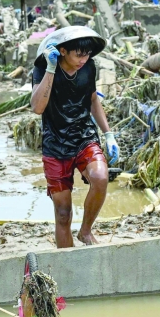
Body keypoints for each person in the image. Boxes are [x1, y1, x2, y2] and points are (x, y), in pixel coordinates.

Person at [31, 27, 119, 248]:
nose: (84, 59)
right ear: (62, 51)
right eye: (78, 54)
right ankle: (68, 264)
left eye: (87, 54)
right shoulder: (42, 68)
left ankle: (86, 231)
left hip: (84, 136)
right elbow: (38, 107)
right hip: (55, 144)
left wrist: (108, 134)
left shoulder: (89, 67)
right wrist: (51, 69)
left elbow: (92, 100)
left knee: (100, 177)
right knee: (63, 213)